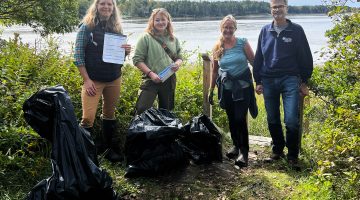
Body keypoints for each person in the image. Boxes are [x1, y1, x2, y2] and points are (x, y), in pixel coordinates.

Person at [253, 0, 313, 166]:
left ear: (286, 8)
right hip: (268, 80)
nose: (277, 10)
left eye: (280, 6)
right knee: (272, 118)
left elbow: (306, 57)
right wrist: (257, 80)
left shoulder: (297, 30)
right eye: (274, 7)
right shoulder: (265, 31)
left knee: (292, 120)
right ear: (270, 10)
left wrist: (304, 81)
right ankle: (278, 149)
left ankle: (293, 155)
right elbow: (259, 57)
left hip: (290, 80)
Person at [74, 0, 131, 163]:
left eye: (110, 4)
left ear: (113, 8)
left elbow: (117, 56)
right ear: (96, 6)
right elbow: (78, 56)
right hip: (93, 80)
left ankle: (108, 149)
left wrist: (126, 52)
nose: (106, 7)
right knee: (87, 118)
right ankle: (84, 155)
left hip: (114, 78)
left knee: (109, 114)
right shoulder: (86, 27)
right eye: (102, 3)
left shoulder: (117, 28)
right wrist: (86, 80)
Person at [209, 15, 258, 167]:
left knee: (239, 118)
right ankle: (236, 146)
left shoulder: (242, 42)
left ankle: (244, 152)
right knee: (231, 118)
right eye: (226, 27)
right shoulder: (217, 47)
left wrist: (259, 82)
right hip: (227, 88)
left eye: (231, 27)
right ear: (221, 29)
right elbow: (215, 71)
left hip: (243, 87)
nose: (228, 30)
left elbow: (254, 62)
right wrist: (211, 90)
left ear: (235, 29)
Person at [132, 8, 182, 114]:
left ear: (168, 21)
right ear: (152, 22)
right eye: (157, 20)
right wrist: (151, 74)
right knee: (142, 108)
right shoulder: (145, 38)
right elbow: (137, 60)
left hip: (169, 79)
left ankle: (163, 131)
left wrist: (177, 64)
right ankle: (141, 130)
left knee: (166, 111)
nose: (160, 22)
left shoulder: (173, 39)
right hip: (150, 79)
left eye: (163, 19)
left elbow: (179, 57)